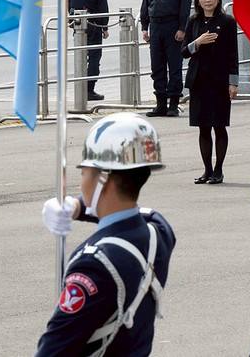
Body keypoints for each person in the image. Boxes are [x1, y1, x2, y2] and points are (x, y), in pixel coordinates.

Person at [36, 112, 175, 355]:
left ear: (103, 178)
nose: (82, 181)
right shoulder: (159, 234)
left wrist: (80, 207)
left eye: (84, 172)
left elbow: (53, 350)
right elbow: (145, 214)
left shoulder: (93, 264)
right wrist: (79, 208)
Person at [181, 0, 239, 185]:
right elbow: (183, 51)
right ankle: (206, 169)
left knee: (219, 125)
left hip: (220, 80)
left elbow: (233, 53)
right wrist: (198, 42)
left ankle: (218, 170)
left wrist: (233, 82)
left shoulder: (228, 22)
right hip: (199, 80)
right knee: (203, 127)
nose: (207, 0)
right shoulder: (193, 21)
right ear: (198, 0)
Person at [140, 0, 192, 117]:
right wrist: (144, 27)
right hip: (156, 26)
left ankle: (173, 104)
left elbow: (185, 5)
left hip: (172, 26)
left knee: (174, 66)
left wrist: (182, 28)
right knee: (157, 66)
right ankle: (160, 103)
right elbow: (146, 3)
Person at [69, 0, 109, 101]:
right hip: (94, 25)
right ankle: (89, 89)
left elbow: (68, 4)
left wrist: (72, 20)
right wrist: (104, 27)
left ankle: (80, 87)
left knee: (80, 55)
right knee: (93, 58)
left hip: (78, 25)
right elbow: (102, 6)